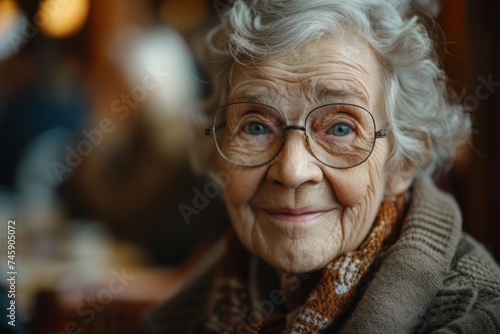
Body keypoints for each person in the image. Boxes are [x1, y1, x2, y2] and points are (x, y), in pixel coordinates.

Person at [142, 0, 500, 333]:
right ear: (216, 152)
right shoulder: (188, 312)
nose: (293, 171)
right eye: (256, 126)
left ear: (403, 161)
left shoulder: (479, 315)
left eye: (341, 128)